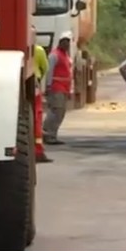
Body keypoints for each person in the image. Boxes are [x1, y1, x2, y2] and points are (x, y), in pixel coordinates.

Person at [43, 33, 73, 145]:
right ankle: (47, 133)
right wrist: (48, 86)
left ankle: (52, 134)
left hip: (64, 88)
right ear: (60, 42)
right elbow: (49, 71)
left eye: (68, 42)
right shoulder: (54, 55)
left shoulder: (65, 55)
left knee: (60, 112)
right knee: (55, 111)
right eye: (64, 41)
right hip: (56, 87)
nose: (67, 44)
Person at [31, 31, 52, 163]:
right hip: (34, 84)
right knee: (37, 117)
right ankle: (38, 150)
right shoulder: (39, 50)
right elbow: (45, 68)